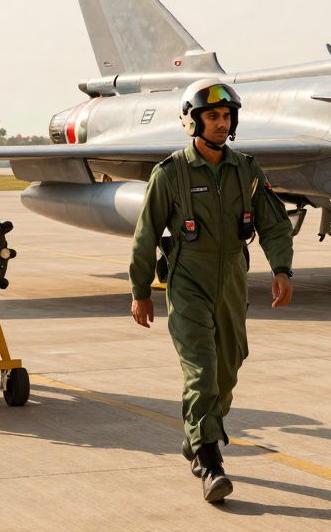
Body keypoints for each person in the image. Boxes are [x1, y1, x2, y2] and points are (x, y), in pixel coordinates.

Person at [128, 80, 294, 503]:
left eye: (226, 117)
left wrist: (282, 268)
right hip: (188, 280)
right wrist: (140, 288)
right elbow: (145, 235)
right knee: (201, 369)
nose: (221, 124)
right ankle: (208, 458)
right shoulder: (170, 173)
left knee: (230, 364)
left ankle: (197, 432)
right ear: (193, 121)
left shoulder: (247, 170)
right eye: (213, 116)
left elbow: (273, 224)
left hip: (233, 278)